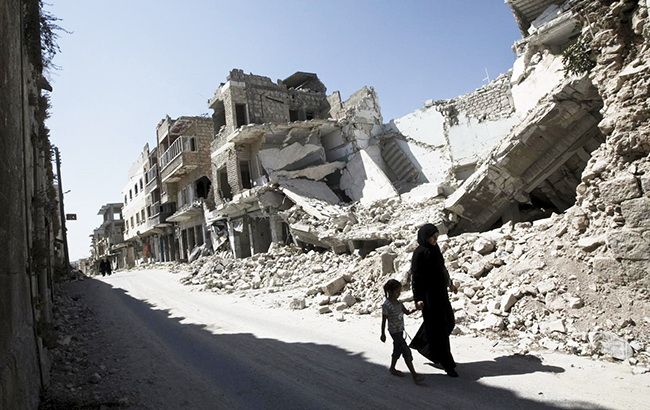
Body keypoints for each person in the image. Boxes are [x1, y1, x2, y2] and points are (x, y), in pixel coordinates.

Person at [411, 223, 459, 377]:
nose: (435, 239)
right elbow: (416, 278)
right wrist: (417, 299)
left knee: (449, 322)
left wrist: (450, 284)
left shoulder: (435, 249)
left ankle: (424, 345)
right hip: (428, 297)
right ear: (425, 237)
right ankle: (447, 364)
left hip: (441, 293)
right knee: (439, 330)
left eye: (436, 236)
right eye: (432, 237)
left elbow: (442, 269)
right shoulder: (419, 253)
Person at [380, 279, 425, 385]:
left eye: (399, 291)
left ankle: (392, 368)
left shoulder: (399, 303)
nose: (399, 293)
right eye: (397, 291)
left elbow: (407, 312)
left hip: (400, 331)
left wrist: (416, 308)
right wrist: (383, 333)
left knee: (397, 349)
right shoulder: (386, 305)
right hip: (394, 332)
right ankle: (414, 375)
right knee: (406, 351)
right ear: (390, 291)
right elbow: (383, 320)